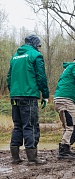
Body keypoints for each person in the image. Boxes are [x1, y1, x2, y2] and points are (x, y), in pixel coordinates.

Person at [7, 34, 49, 165]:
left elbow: (9, 78)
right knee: (30, 126)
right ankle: (32, 157)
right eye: (39, 45)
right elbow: (41, 77)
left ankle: (15, 157)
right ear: (35, 44)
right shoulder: (36, 56)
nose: (40, 48)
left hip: (15, 96)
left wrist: (13, 91)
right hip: (29, 96)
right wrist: (45, 94)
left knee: (17, 126)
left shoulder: (14, 57)